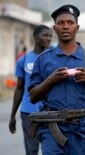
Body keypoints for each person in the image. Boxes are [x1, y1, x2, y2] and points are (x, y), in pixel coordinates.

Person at [28, 4, 85, 155]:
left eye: (70, 23)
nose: (65, 27)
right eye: (61, 23)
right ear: (55, 28)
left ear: (77, 28)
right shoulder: (44, 59)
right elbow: (33, 97)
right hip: (53, 129)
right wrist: (50, 80)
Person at [9, 25, 52, 155]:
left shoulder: (54, 58)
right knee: (31, 151)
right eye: (44, 35)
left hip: (50, 113)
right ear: (35, 37)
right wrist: (12, 116)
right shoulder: (24, 60)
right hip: (29, 114)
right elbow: (19, 88)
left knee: (51, 150)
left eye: (50, 36)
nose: (48, 38)